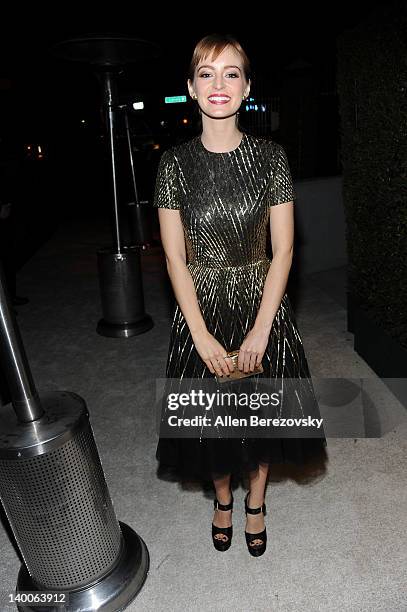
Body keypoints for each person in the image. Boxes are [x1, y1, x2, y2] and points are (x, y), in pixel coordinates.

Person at [153, 33, 328, 557]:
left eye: (231, 73)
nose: (219, 84)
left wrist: (261, 327)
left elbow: (285, 251)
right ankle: (222, 498)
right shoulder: (173, 165)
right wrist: (201, 335)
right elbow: (174, 258)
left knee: (263, 416)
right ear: (191, 88)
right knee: (212, 424)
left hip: (262, 305)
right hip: (199, 309)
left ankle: (256, 500)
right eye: (207, 73)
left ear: (247, 86)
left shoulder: (272, 158)